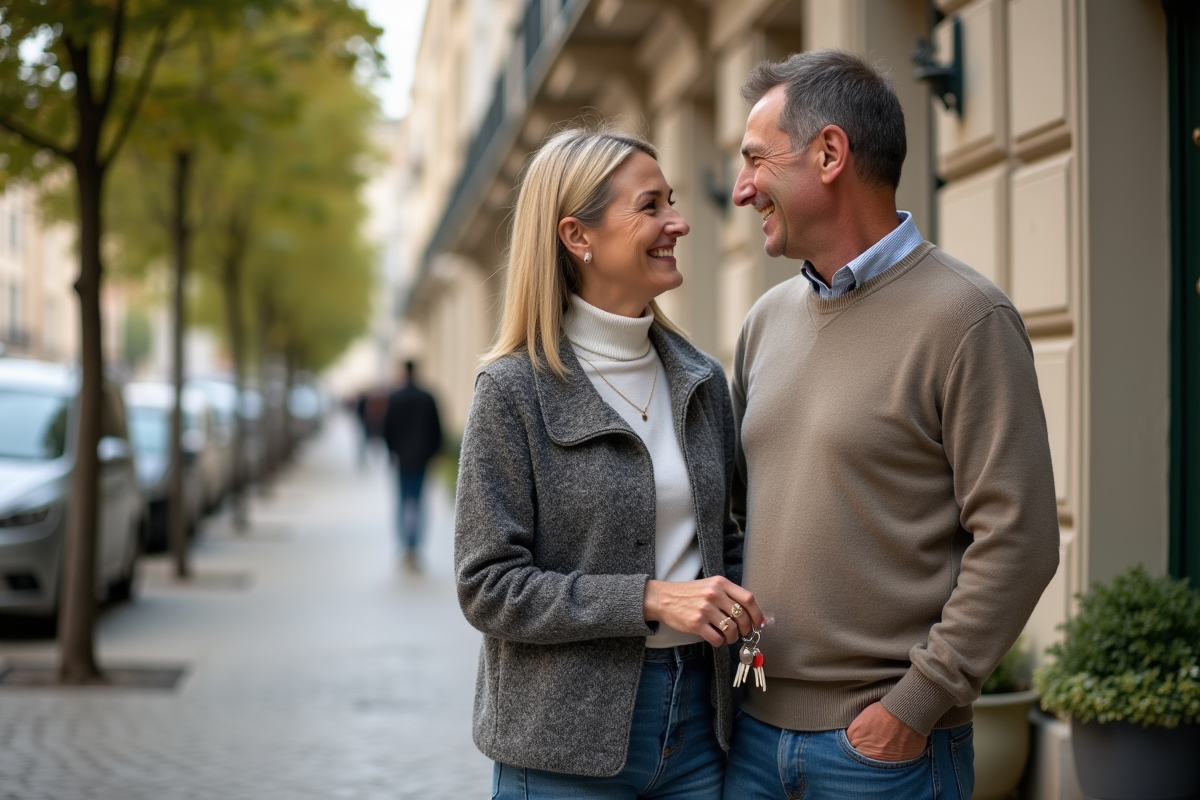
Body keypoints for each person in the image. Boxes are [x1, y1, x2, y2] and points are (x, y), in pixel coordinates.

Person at [722, 51, 1061, 800]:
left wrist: (911, 708)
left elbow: (1020, 538)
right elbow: (738, 517)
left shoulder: (967, 320)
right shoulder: (764, 323)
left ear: (830, 153)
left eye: (755, 161)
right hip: (752, 740)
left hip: (882, 756)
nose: (742, 189)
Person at [453, 127, 766, 799]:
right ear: (577, 235)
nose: (677, 223)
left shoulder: (703, 380)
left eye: (672, 203)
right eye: (650, 206)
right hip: (562, 749)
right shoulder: (514, 390)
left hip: (699, 726)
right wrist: (650, 598)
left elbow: (726, 535)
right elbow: (487, 585)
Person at [381, 360, 442, 569]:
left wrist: (391, 452)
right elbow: (437, 428)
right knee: (419, 502)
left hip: (402, 459)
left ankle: (404, 545)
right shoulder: (427, 397)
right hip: (422, 458)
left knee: (401, 502)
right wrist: (434, 453)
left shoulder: (395, 397)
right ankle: (415, 547)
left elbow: (387, 429)